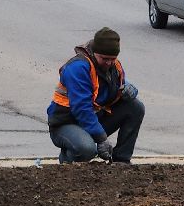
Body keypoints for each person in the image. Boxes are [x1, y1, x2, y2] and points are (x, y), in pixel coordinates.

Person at [46, 27, 145, 164]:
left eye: (113, 58)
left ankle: (121, 162)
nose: (109, 63)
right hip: (66, 123)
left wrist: (130, 90)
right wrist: (101, 138)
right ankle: (66, 164)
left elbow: (117, 87)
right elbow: (82, 109)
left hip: (93, 119)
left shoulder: (114, 66)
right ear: (94, 52)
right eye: (104, 58)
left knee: (135, 107)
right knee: (86, 149)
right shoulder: (78, 68)